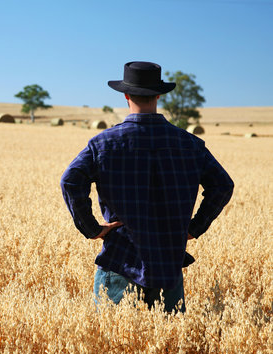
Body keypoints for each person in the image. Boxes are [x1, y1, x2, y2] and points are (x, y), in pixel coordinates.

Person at [60, 61, 234, 313]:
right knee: (169, 347)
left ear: (126, 95)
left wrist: (92, 228)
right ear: (159, 95)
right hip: (169, 265)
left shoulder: (104, 143)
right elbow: (223, 185)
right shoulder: (190, 144)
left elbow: (70, 180)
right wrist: (194, 228)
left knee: (114, 347)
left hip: (119, 260)